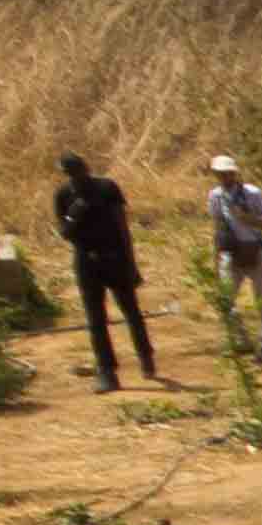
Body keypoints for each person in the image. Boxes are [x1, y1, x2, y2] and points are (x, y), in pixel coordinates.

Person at [50, 152, 158, 390]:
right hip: (86, 262)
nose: (74, 177)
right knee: (95, 319)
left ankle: (146, 357)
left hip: (114, 258)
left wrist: (132, 264)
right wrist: (73, 216)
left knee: (131, 311)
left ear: (85, 168)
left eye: (77, 171)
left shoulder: (106, 187)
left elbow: (122, 228)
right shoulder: (64, 195)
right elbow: (65, 233)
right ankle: (107, 371)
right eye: (69, 174)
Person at [202, 153, 262, 367]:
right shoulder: (215, 196)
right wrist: (216, 254)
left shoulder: (252, 193)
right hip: (231, 253)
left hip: (256, 250)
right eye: (220, 173)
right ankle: (242, 340)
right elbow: (218, 226)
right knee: (225, 302)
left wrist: (249, 218)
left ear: (234, 172)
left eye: (228, 173)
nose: (224, 177)